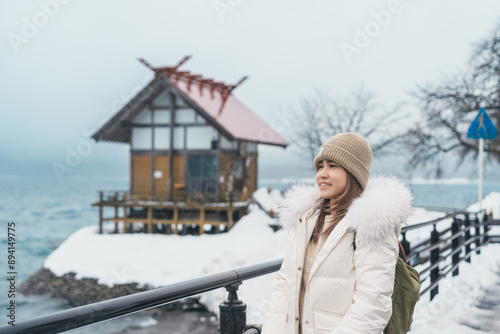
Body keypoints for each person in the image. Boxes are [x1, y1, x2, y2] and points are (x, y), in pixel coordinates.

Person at [262, 132, 413, 334]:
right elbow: (285, 285)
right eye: (320, 166)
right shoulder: (308, 219)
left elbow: (372, 306)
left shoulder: (369, 224)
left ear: (353, 173)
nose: (321, 174)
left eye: (332, 166)